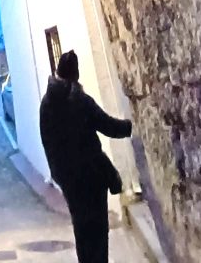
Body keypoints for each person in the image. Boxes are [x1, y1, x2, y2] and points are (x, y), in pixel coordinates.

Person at [39, 51, 132, 263]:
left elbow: (47, 142)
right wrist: (132, 126)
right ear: (75, 74)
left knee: (81, 229)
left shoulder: (46, 104)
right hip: (92, 177)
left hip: (69, 181)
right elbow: (108, 125)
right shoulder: (80, 100)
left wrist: (59, 174)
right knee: (98, 231)